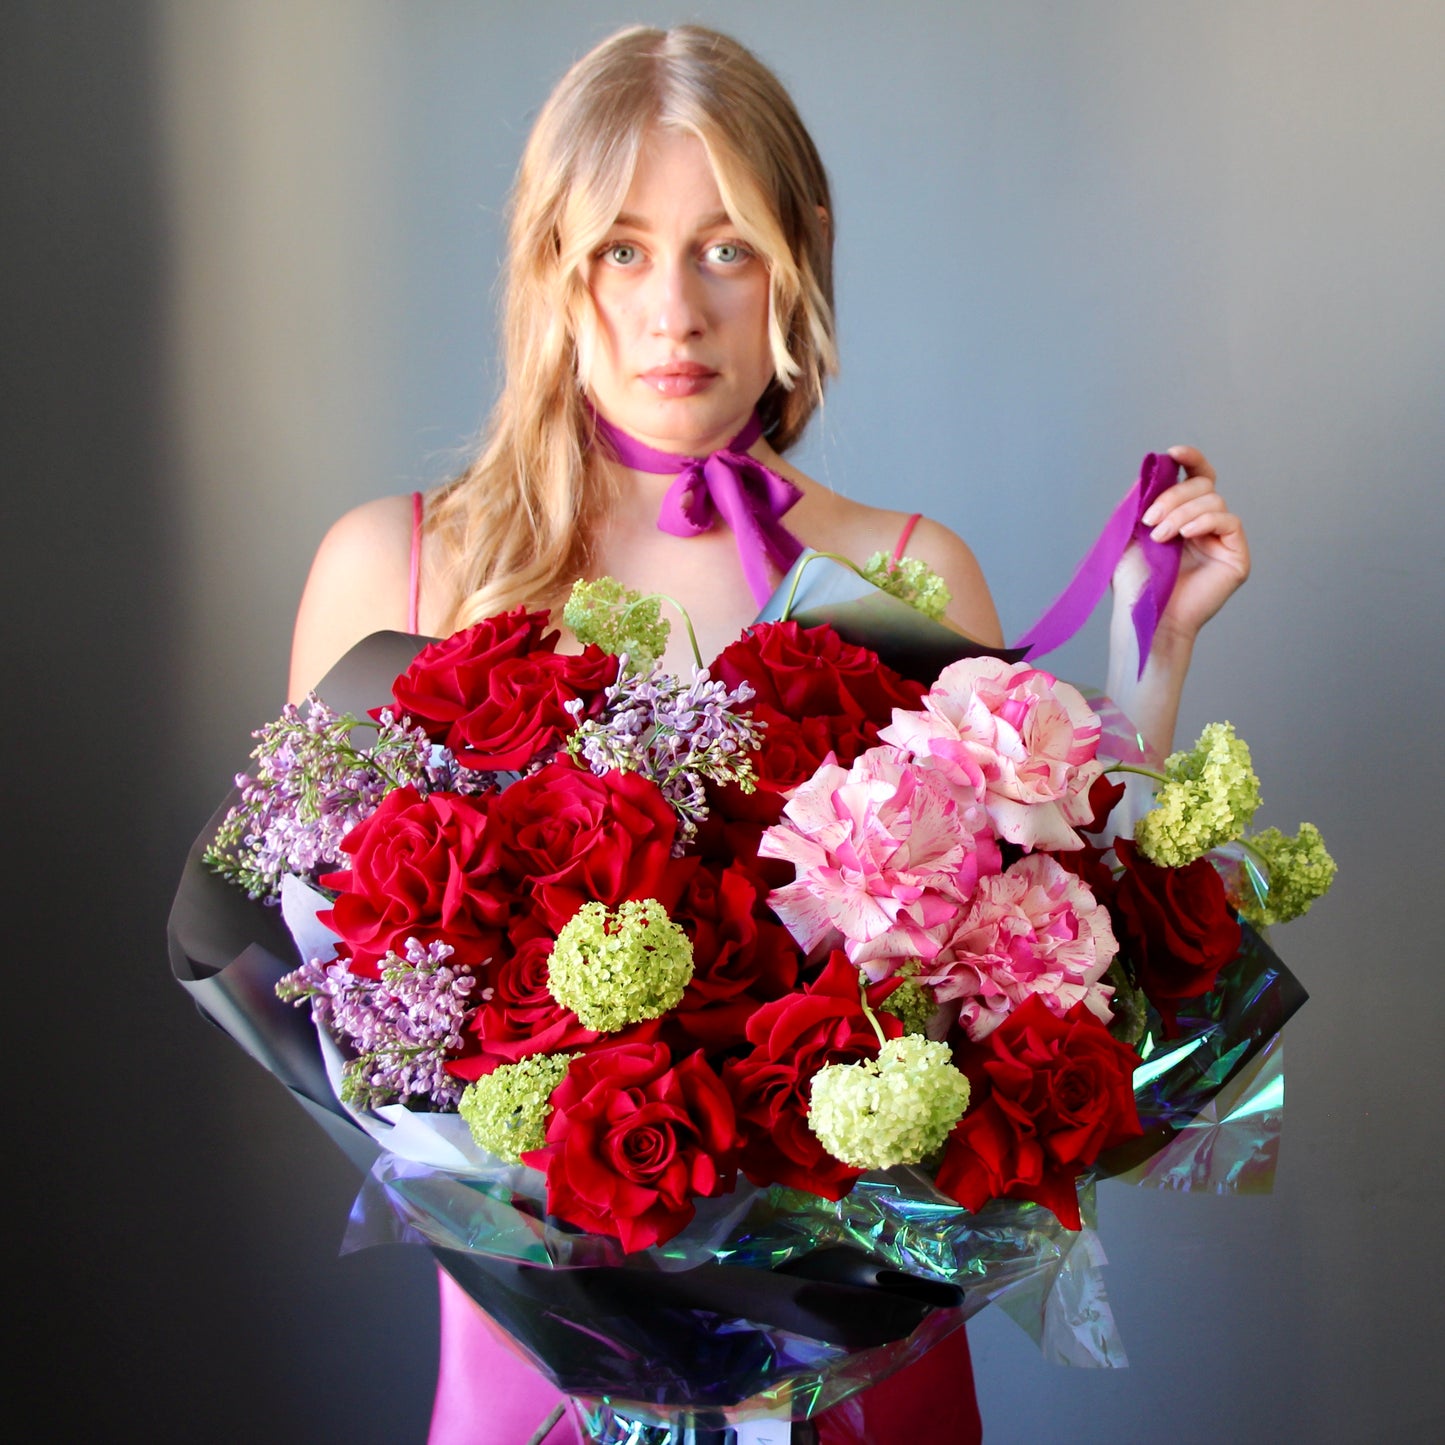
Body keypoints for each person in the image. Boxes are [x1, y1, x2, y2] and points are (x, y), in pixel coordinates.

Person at [287, 24, 1251, 1444]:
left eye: (724, 247)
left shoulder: (910, 570)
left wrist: (1149, 654)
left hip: (860, 1369)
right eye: (621, 249)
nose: (673, 309)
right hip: (543, 1370)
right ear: (549, 266)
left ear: (799, 257)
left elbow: (1038, 967)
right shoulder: (401, 570)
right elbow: (337, 1009)